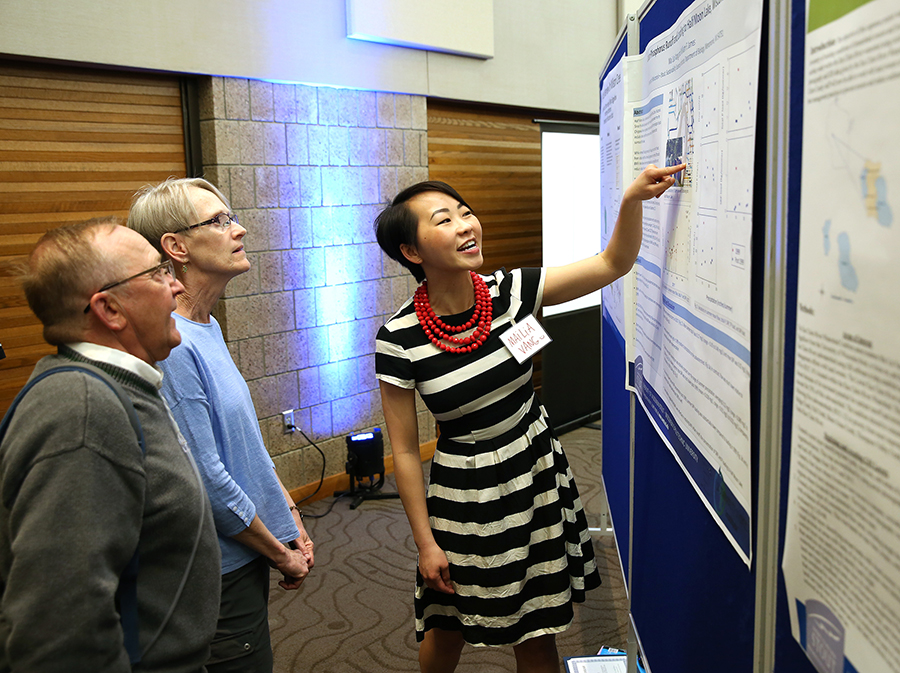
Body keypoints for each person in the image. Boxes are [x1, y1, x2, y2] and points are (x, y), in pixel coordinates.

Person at [374, 163, 685, 673]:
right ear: (412, 251)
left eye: (465, 212)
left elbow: (613, 262)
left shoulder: (512, 291)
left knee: (537, 628)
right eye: (444, 219)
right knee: (447, 618)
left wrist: (631, 201)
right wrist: (426, 542)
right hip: (467, 490)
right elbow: (406, 451)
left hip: (536, 472)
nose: (466, 224)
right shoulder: (399, 336)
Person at [0, 217, 221, 672]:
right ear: (111, 310)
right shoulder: (82, 411)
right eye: (159, 272)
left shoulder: (117, 387)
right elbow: (59, 634)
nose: (177, 286)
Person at [128, 178, 314, 673]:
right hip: (217, 570)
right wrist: (280, 553)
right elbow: (205, 481)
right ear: (176, 247)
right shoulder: (174, 344)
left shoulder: (203, 325)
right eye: (219, 220)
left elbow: (242, 445)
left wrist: (289, 513)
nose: (240, 228)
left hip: (244, 550)